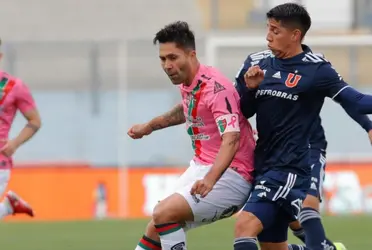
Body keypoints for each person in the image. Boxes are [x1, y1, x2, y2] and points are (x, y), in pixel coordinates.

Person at [233, 3, 372, 250]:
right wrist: (251, 90)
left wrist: (367, 125)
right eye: (268, 29)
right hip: (264, 162)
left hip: (290, 167)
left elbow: (356, 101)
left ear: (295, 35)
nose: (268, 36)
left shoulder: (316, 68)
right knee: (274, 247)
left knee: (245, 227)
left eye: (275, 30)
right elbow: (243, 111)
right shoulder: (256, 62)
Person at [127, 21, 255, 250]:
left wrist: (210, 179)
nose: (167, 65)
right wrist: (149, 126)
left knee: (164, 213)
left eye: (173, 58)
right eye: (163, 59)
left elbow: (232, 138)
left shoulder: (217, 88)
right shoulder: (191, 83)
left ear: (191, 54)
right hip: (202, 167)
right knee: (155, 226)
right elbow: (187, 109)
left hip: (233, 174)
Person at [0, 44, 40, 219]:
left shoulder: (13, 86)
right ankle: (9, 206)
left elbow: (35, 121)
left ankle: (9, 206)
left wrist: (15, 143)